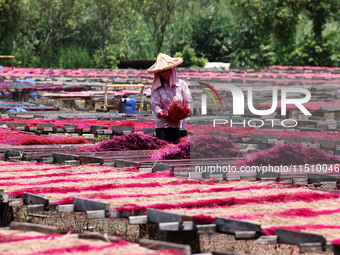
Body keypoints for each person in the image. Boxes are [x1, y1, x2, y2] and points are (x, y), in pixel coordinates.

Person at [148, 53, 191, 143]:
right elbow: (155, 104)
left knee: (181, 153)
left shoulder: (182, 84)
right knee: (165, 152)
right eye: (162, 71)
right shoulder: (157, 87)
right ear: (159, 73)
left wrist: (185, 112)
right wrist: (163, 114)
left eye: (167, 70)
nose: (165, 73)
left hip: (180, 126)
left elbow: (188, 102)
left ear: (172, 70)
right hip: (163, 127)